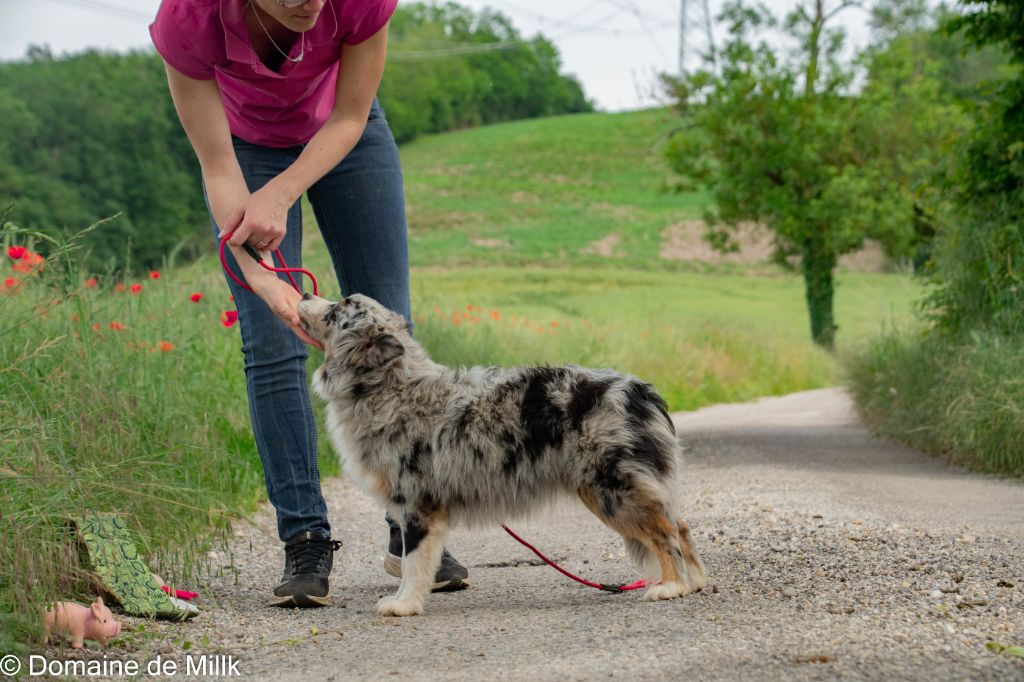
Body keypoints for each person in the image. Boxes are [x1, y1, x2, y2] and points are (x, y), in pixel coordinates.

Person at [150, 0, 468, 607]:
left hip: (347, 137)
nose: (310, 3)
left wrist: (282, 191)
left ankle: (411, 528)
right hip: (244, 149)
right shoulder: (188, 20)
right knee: (270, 346)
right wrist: (266, 282)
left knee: (390, 330)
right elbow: (218, 169)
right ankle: (305, 539)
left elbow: (349, 117)